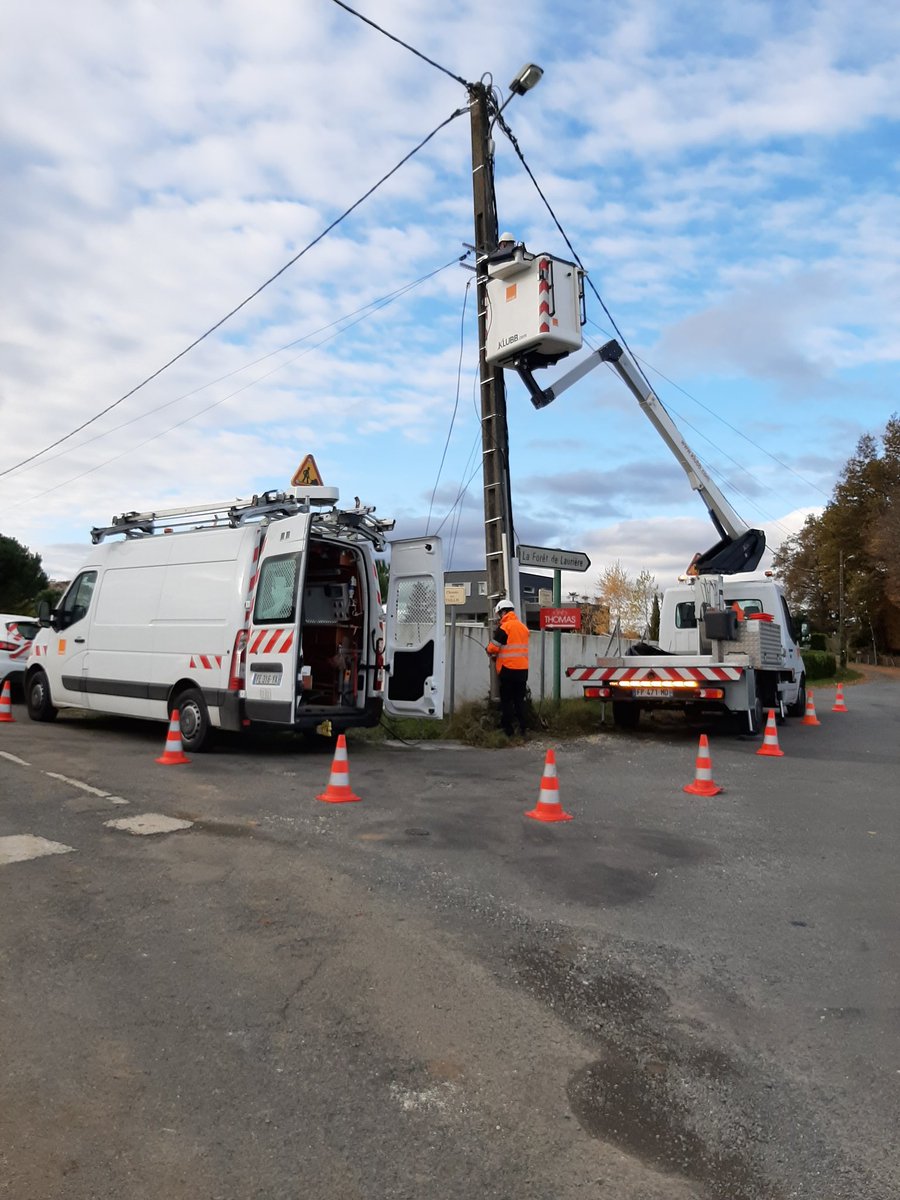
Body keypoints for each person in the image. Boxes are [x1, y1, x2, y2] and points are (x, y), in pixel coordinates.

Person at [486, 598, 530, 737]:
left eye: (499, 614)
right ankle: (523, 729)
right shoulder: (523, 628)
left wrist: (489, 651)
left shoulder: (505, 628)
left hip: (507, 670)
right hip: (522, 670)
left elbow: (493, 647)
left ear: (503, 612)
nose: (499, 617)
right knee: (519, 700)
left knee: (507, 701)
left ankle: (508, 730)